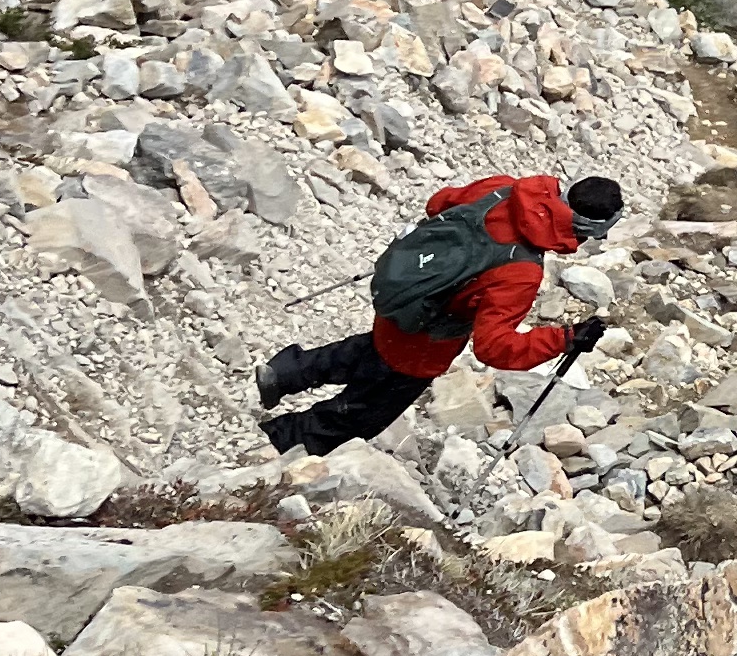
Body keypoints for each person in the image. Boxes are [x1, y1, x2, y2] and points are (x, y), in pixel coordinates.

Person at [254, 170, 623, 456]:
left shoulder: (505, 188)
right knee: (362, 412)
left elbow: (438, 204)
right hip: (425, 343)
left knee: (368, 352)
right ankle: (279, 443)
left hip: (402, 295)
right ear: (584, 229)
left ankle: (285, 373)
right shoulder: (520, 270)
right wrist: (564, 339)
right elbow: (493, 348)